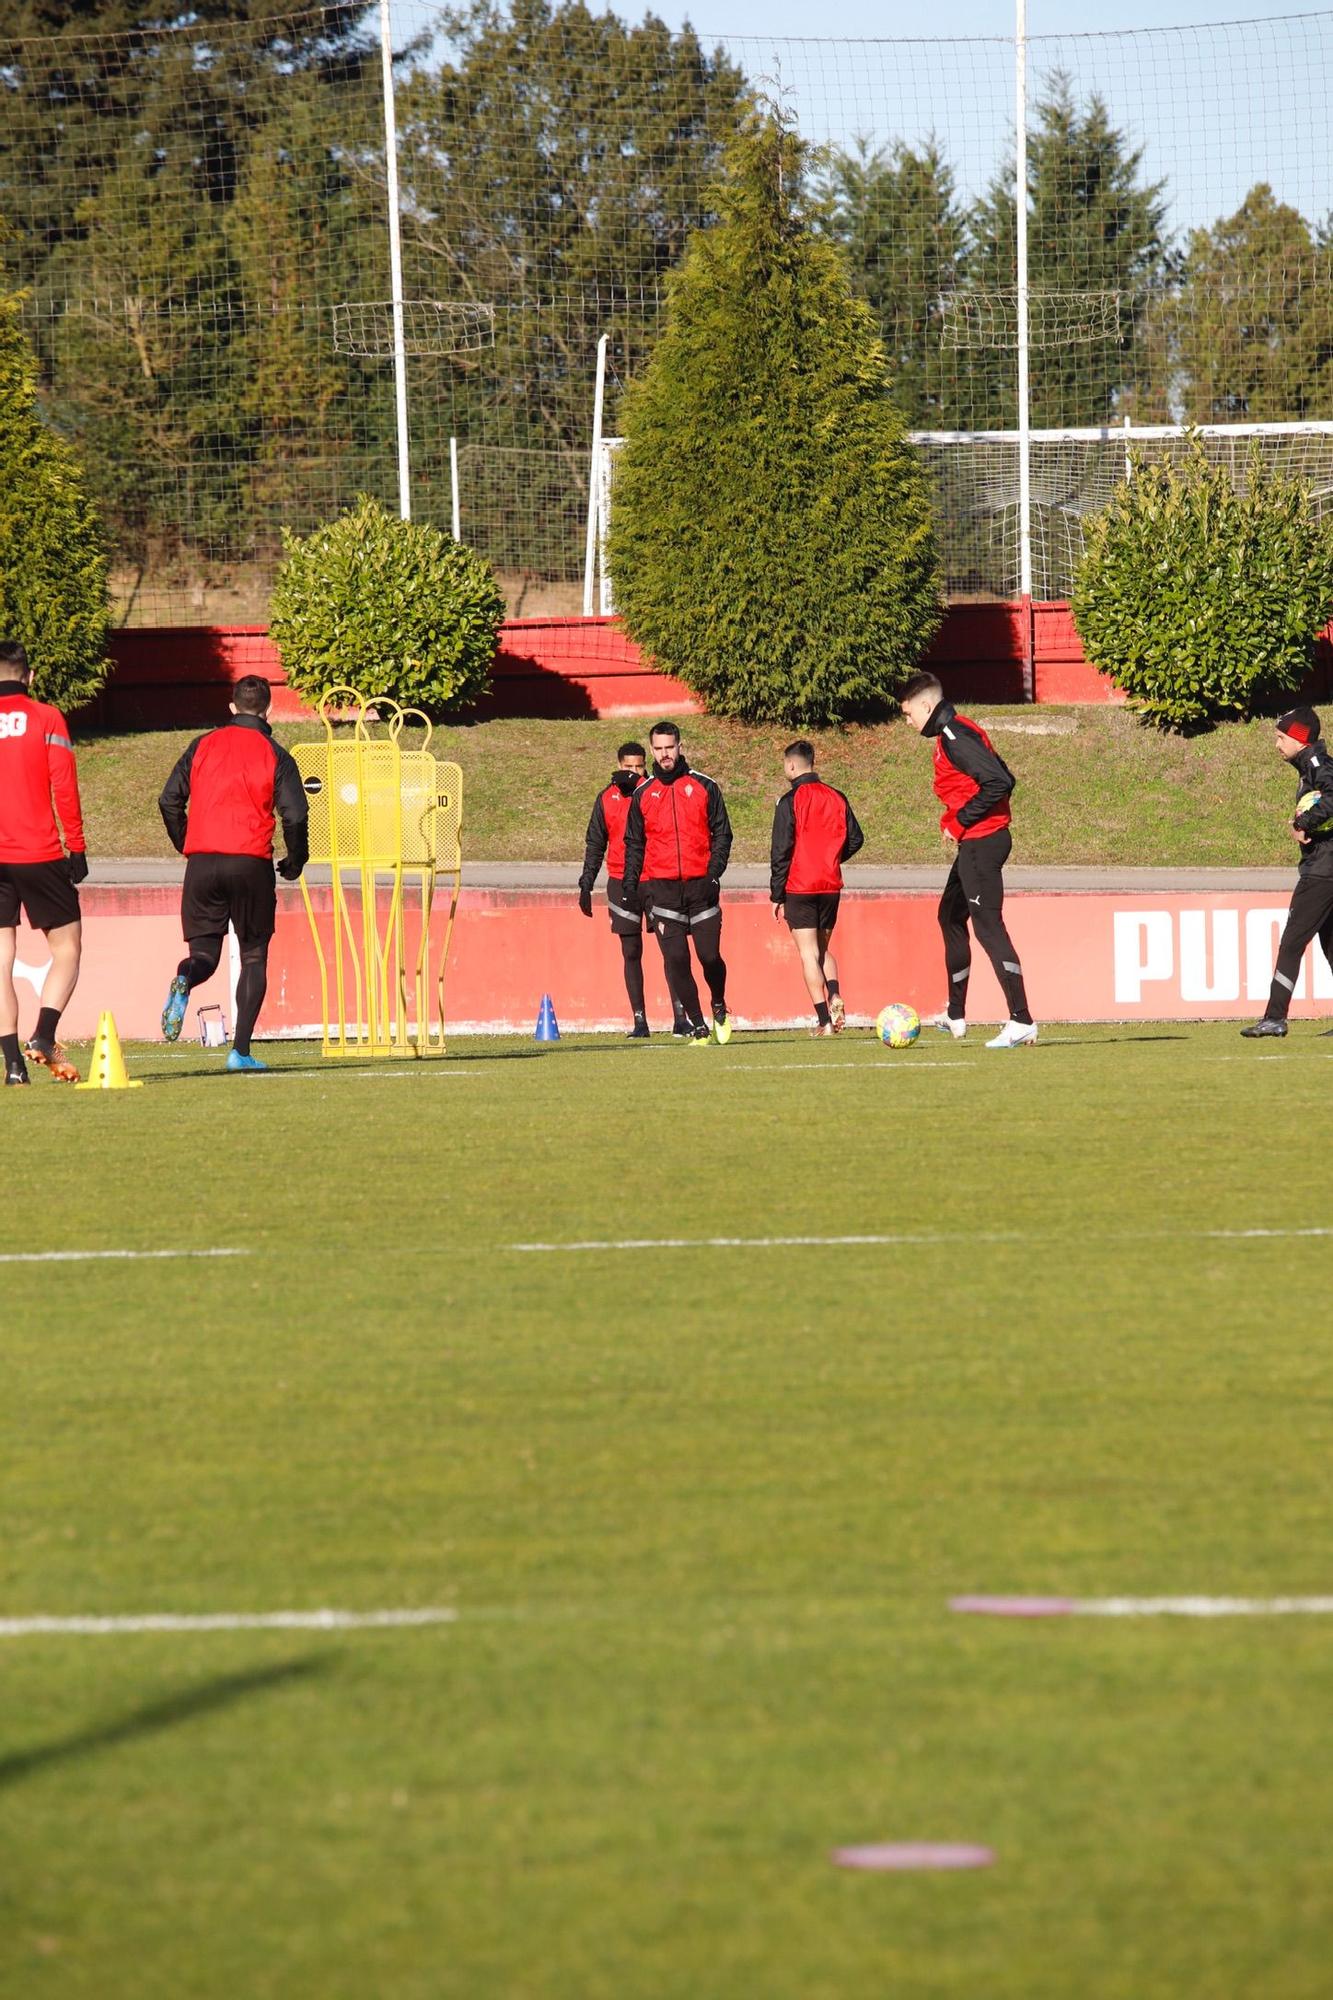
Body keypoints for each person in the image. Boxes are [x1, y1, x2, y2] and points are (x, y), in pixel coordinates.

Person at [157, 674, 308, 1072]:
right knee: (254, 957)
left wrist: (185, 842)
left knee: (204, 955)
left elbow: (168, 799)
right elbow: (295, 814)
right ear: (269, 709)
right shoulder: (276, 754)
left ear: (231, 707)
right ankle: (239, 1051)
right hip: (250, 864)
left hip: (203, 863)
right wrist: (296, 861)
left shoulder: (201, 745)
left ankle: (185, 980)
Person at [899, 670, 1037, 1049]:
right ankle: (956, 1015)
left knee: (989, 928)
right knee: (948, 915)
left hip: (983, 842)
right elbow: (1004, 774)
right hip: (974, 843)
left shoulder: (956, 736)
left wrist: (960, 818)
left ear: (927, 706)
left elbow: (1000, 782)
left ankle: (1021, 1019)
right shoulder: (954, 734)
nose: (908, 722)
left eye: (909, 713)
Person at [0, 640, 88, 1086]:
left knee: (0, 958)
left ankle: (13, 1066)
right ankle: (44, 1036)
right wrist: (77, 846)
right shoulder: (46, 717)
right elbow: (64, 786)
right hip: (37, 852)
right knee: (67, 948)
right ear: (29, 677)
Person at [621, 720, 734, 1045]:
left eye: (670, 747)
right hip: (663, 891)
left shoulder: (704, 786)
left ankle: (718, 1003)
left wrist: (714, 873)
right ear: (652, 750)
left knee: (709, 957)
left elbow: (723, 833)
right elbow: (635, 843)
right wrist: (631, 886)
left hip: (702, 888)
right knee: (676, 960)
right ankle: (698, 1025)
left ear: (680, 746)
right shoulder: (644, 793)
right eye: (658, 748)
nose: (665, 753)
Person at [1241, 704, 1333, 1038]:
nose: (1277, 744)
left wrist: (1304, 822)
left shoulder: (1315, 762)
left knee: (1292, 943)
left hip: (1322, 871)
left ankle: (1275, 1017)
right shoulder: (1311, 766)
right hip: (1325, 865)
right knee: (1331, 945)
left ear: (1299, 738)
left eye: (1281, 737)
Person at [769, 739, 864, 1036]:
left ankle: (824, 1020)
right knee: (824, 950)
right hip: (830, 884)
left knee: (808, 953)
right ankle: (835, 994)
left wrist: (776, 894)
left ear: (792, 765)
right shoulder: (837, 796)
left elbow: (780, 851)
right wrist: (832, 858)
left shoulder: (789, 801)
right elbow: (856, 839)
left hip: (800, 886)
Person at [577, 740, 662, 1039]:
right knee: (631, 951)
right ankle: (640, 1021)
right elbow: (595, 843)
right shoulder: (606, 798)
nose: (635, 771)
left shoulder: (655, 793)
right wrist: (586, 883)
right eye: (629, 767)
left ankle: (682, 1018)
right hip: (619, 881)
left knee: (671, 947)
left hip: (655, 879)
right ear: (618, 766)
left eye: (640, 766)